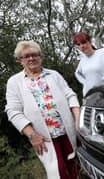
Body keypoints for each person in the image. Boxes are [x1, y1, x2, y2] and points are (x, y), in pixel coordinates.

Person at [5, 41, 80, 179]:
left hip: (69, 132)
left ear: (40, 57)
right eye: (26, 56)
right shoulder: (14, 82)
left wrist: (77, 119)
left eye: (34, 55)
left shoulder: (54, 75)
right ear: (20, 60)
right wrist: (32, 135)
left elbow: (70, 95)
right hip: (44, 138)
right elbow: (13, 112)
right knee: (58, 172)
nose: (31, 58)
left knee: (76, 167)